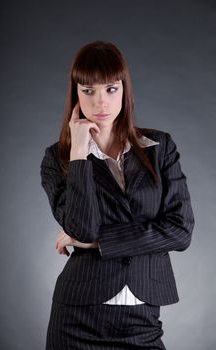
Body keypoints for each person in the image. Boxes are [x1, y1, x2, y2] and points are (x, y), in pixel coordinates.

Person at [40, 40, 195, 349]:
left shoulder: (160, 148)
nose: (100, 102)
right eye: (88, 91)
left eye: (111, 89)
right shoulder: (58, 158)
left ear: (124, 90)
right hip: (77, 318)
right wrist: (80, 152)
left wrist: (100, 242)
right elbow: (81, 228)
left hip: (143, 318)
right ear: (76, 94)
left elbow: (180, 231)